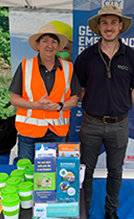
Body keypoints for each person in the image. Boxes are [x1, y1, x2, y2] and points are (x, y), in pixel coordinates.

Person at [74, 5, 134, 219]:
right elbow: (79, 89)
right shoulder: (86, 57)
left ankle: (111, 210)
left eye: (113, 22)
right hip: (91, 123)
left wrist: (119, 106)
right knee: (85, 169)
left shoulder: (132, 57)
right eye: (104, 22)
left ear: (120, 26)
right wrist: (96, 104)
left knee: (116, 171)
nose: (109, 27)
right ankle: (82, 210)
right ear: (98, 27)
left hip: (119, 125)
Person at [9, 24, 81, 163]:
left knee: (54, 174)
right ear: (37, 45)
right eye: (45, 41)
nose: (50, 45)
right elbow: (14, 99)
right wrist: (36, 105)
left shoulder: (68, 68)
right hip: (28, 132)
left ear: (58, 46)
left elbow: (74, 100)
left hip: (57, 132)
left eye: (54, 42)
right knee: (26, 173)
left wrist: (60, 106)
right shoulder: (25, 65)